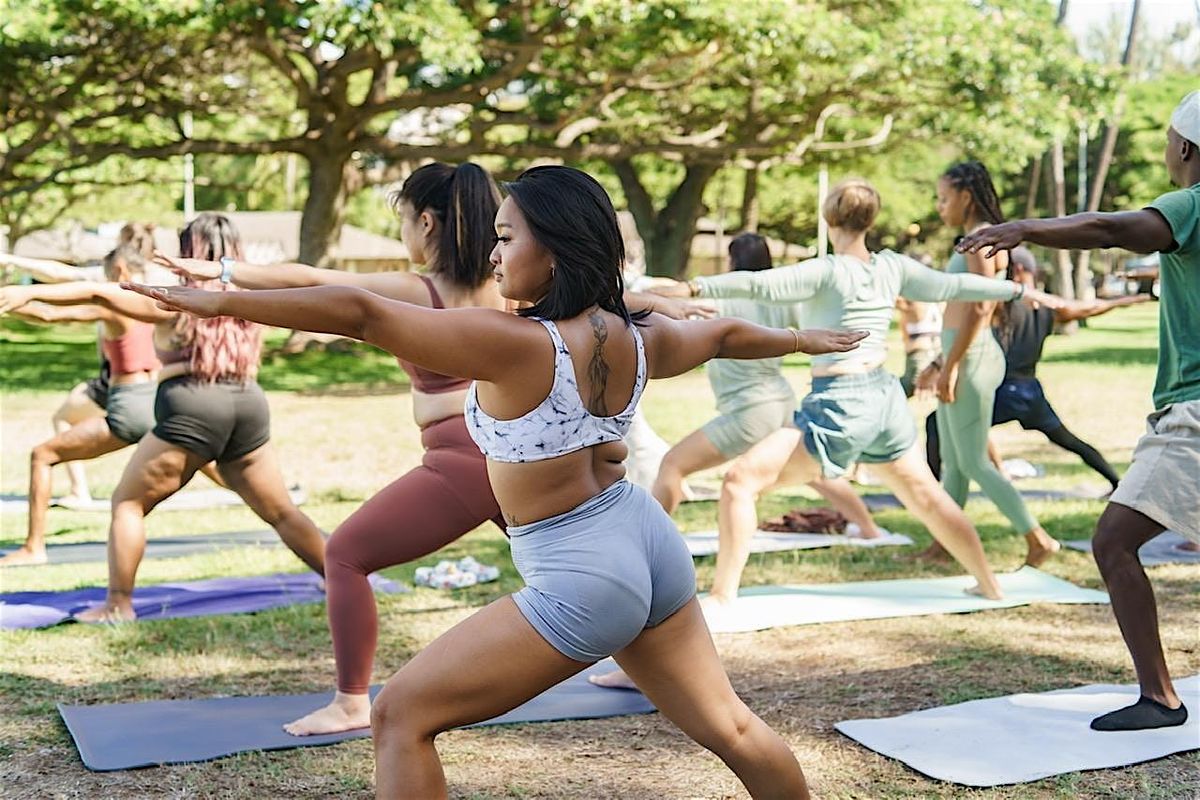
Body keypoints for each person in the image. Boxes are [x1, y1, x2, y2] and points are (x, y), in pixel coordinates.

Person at [129, 165, 871, 799]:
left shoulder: (516, 345)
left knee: (399, 716)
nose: (494, 251)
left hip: (582, 571)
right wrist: (801, 341)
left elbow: (359, 312)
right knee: (733, 727)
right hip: (645, 538)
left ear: (553, 251)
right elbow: (725, 335)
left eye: (508, 237)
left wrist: (223, 299)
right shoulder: (641, 334)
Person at [651, 179, 1066, 606]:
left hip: (842, 401)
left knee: (739, 483)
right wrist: (1018, 290)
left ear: (830, 218)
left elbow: (757, 285)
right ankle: (989, 584)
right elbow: (952, 287)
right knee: (927, 497)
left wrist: (691, 289)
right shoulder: (891, 266)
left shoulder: (827, 270)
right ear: (869, 220)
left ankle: (721, 597)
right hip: (883, 399)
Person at [958, 91, 1200, 732]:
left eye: (1169, 140)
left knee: (1114, 541)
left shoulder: (1191, 205)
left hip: (1195, 412)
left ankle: (1161, 699)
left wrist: (1026, 228)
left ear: (1185, 148)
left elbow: (1114, 229)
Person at [2, 213, 326, 620]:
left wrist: (28, 294)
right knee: (281, 512)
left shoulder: (181, 298)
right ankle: (340, 577)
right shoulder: (251, 298)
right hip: (248, 403)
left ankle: (118, 605)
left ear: (191, 252)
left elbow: (102, 295)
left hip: (191, 406)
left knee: (128, 502)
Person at [0, 246, 223, 566]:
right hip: (160, 401)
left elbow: (50, 314)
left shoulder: (116, 308)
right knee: (207, 461)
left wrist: (13, 304)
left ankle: (34, 548)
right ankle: (276, 506)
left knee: (43, 456)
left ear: (120, 271)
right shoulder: (157, 302)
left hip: (129, 406)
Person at [650, 232, 882, 537]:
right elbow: (816, 318)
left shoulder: (719, 299)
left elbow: (670, 300)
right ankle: (869, 529)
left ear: (733, 262)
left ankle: (650, 540)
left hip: (749, 411)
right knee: (814, 471)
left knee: (672, 465)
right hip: (780, 400)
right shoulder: (783, 302)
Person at [924, 247, 1152, 494]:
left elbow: (971, 327)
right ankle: (1117, 484)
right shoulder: (1048, 307)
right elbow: (1090, 308)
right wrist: (1131, 300)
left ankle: (932, 491)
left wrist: (939, 364)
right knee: (1068, 441)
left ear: (1018, 270)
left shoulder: (1003, 304)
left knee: (936, 422)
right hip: (1030, 392)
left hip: (1004, 390)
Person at [928, 161, 1060, 567]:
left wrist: (950, 365)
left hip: (971, 357)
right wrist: (940, 361)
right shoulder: (974, 240)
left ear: (966, 197)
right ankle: (945, 545)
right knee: (954, 460)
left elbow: (981, 307)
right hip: (961, 353)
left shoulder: (980, 242)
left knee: (972, 461)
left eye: (943, 198)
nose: (939, 206)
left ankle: (1038, 538)